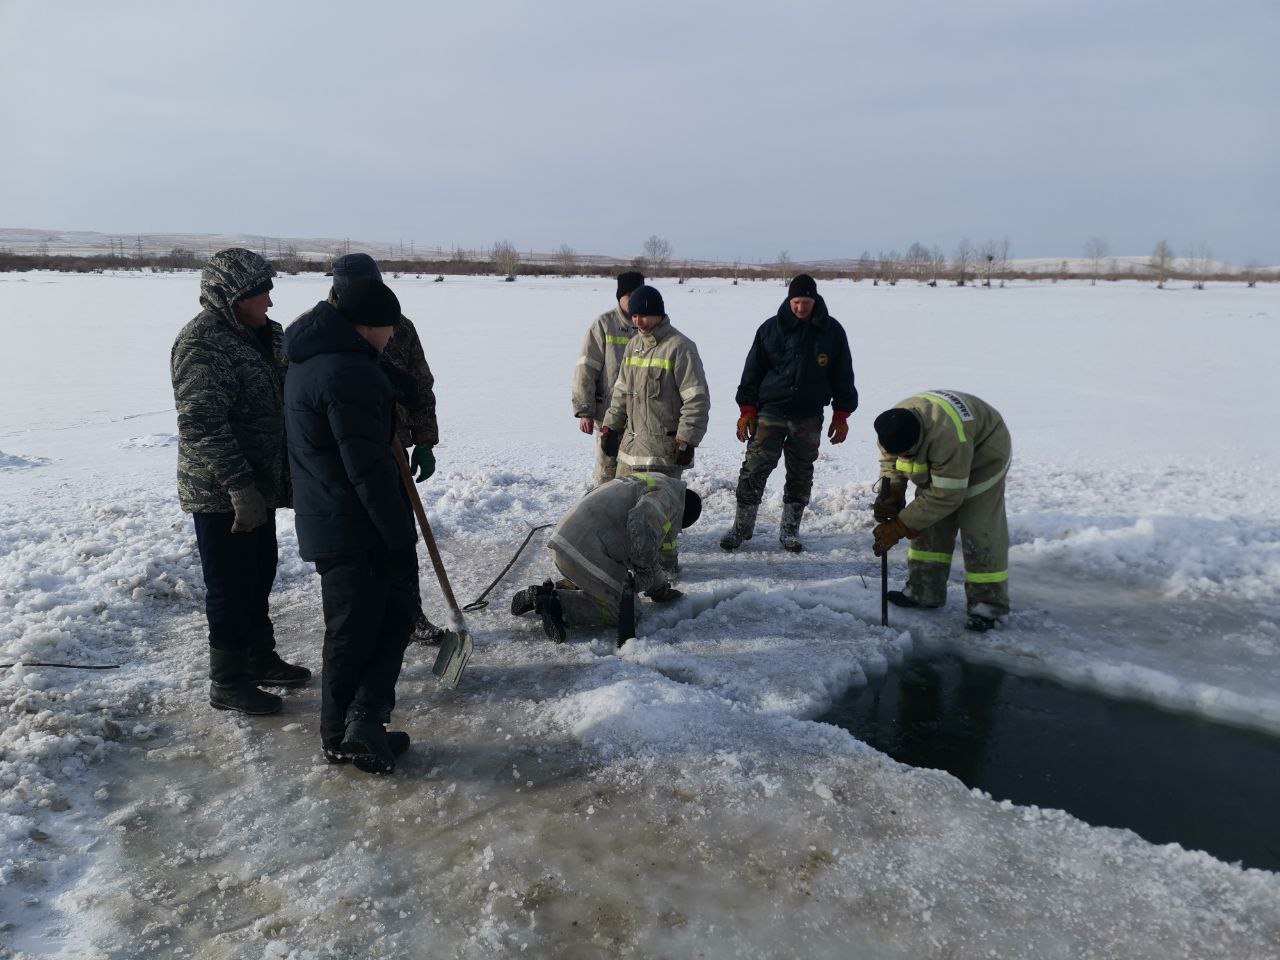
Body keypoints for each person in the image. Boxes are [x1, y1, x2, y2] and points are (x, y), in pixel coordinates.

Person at [283, 276, 419, 774]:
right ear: (366, 326)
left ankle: (355, 728)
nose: (392, 337)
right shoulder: (347, 373)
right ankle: (349, 729)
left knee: (365, 624)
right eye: (388, 328)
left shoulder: (318, 358)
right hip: (355, 525)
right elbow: (366, 468)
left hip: (335, 518)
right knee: (368, 626)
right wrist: (399, 537)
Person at [171, 247, 310, 717]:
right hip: (221, 491)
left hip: (261, 483)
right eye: (260, 294)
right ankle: (228, 681)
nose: (270, 302)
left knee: (260, 573)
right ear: (231, 298)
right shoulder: (202, 344)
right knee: (230, 586)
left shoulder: (266, 335)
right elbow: (201, 423)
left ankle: (259, 658)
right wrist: (238, 486)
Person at [323, 253, 444, 645]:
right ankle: (361, 624)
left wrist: (424, 441)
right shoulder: (323, 328)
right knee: (354, 548)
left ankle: (410, 615)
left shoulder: (399, 325)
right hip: (342, 456)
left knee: (400, 537)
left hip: (393, 451)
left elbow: (420, 384)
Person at [721, 274, 857, 553]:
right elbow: (752, 371)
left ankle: (789, 531)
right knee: (754, 468)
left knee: (801, 472)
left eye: (805, 302)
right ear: (789, 300)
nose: (800, 308)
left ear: (814, 300)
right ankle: (741, 528)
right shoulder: (770, 329)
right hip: (770, 412)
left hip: (808, 416)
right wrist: (747, 409)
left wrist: (841, 414)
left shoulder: (832, 332)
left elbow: (843, 374)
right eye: (796, 302)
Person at [870, 390, 1012, 632]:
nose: (903, 457)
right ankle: (924, 591)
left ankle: (988, 607)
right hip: (943, 458)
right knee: (929, 524)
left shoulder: (947, 435)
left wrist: (899, 526)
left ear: (918, 440)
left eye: (907, 454)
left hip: (983, 456)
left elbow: (947, 496)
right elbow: (889, 464)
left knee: (980, 529)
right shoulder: (891, 427)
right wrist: (893, 490)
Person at [510, 472, 702, 641]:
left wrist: (659, 588)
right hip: (583, 552)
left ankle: (541, 593)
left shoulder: (658, 482)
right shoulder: (666, 499)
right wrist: (643, 571)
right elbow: (641, 524)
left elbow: (640, 546)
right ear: (682, 514)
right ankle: (557, 605)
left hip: (568, 542)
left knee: (611, 579)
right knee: (628, 609)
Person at [599, 284, 710, 573]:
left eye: (644, 316)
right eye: (634, 316)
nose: (638, 322)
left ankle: (665, 566)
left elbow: (696, 398)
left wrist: (687, 439)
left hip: (663, 451)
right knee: (625, 511)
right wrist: (611, 426)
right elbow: (621, 392)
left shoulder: (680, 347)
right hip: (631, 449)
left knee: (662, 515)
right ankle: (631, 565)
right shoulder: (634, 345)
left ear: (659, 314)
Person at [572, 270, 645, 486]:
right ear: (620, 297)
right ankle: (603, 510)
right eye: (628, 295)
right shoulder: (604, 325)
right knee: (608, 466)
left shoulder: (649, 325)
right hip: (608, 413)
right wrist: (585, 410)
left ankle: (629, 513)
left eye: (637, 294)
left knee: (635, 468)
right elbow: (586, 368)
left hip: (642, 415)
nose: (633, 301)